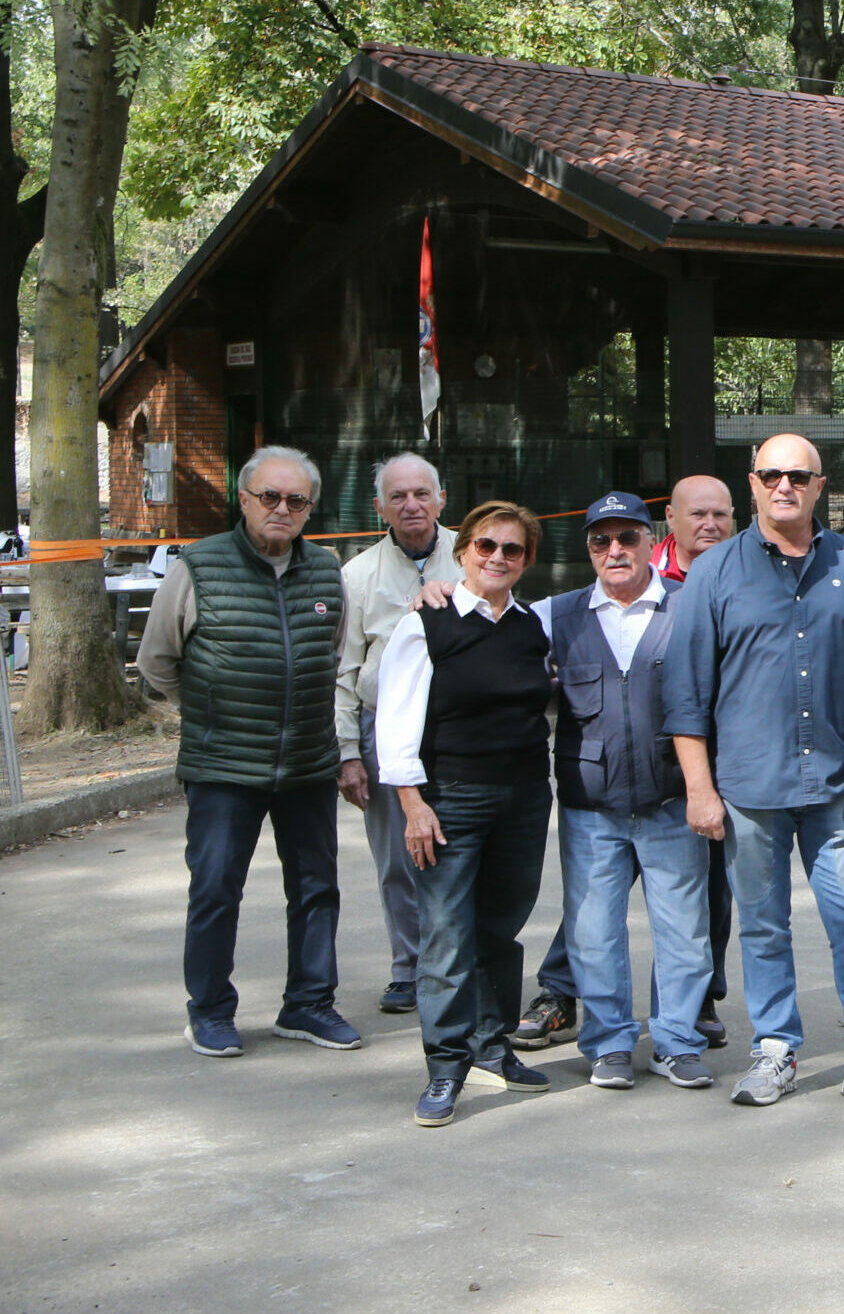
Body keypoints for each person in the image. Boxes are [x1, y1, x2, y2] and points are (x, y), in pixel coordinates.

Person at [662, 435, 844, 1111]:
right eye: (771, 474)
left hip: (840, 786)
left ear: (819, 484)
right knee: (763, 925)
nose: (784, 485)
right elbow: (686, 694)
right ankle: (775, 1050)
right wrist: (699, 789)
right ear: (752, 483)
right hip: (749, 786)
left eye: (798, 475)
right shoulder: (715, 574)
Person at [139, 446, 359, 1060]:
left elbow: (334, 656)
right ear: (243, 499)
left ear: (310, 508)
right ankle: (209, 1010)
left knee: (316, 887)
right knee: (215, 889)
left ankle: (309, 1004)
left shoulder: (325, 570)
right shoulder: (198, 567)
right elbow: (158, 663)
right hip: (223, 766)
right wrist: (213, 709)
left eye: (296, 500)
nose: (281, 509)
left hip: (308, 763)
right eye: (270, 497)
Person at [523, 475, 736, 1051]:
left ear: (651, 541)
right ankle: (610, 1044)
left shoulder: (692, 607)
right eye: (601, 541)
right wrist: (441, 596)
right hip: (590, 809)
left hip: (672, 802)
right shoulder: (552, 615)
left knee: (685, 934)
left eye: (627, 538)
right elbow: (485, 628)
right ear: (589, 550)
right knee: (593, 937)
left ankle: (677, 1043)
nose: (614, 551)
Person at [374, 501, 558, 1127]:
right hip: (451, 798)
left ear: (526, 560)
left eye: (512, 550)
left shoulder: (534, 625)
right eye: (486, 546)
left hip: (526, 797)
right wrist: (413, 803)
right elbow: (394, 720)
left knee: (499, 927)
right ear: (463, 552)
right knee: (447, 932)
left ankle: (492, 1044)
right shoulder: (427, 622)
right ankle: (445, 1065)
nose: (498, 558)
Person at [331, 453, 462, 1017]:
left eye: (421, 494)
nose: (411, 505)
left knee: (459, 848)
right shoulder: (357, 575)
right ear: (379, 507)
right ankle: (408, 968)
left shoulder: (476, 552)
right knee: (398, 857)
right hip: (383, 728)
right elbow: (341, 670)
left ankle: (458, 963)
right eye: (398, 496)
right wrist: (347, 753)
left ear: (440, 499)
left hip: (460, 730)